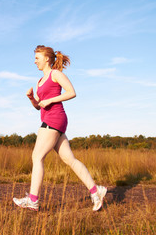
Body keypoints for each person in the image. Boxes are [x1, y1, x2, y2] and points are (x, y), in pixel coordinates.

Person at [13, 45, 107, 211]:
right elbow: (39, 107)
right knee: (69, 159)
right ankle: (96, 190)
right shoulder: (40, 81)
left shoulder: (55, 74)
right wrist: (31, 99)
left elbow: (72, 92)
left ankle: (33, 200)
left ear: (47, 59)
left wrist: (50, 101)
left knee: (37, 156)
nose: (34, 61)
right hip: (52, 119)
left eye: (37, 58)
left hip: (55, 118)